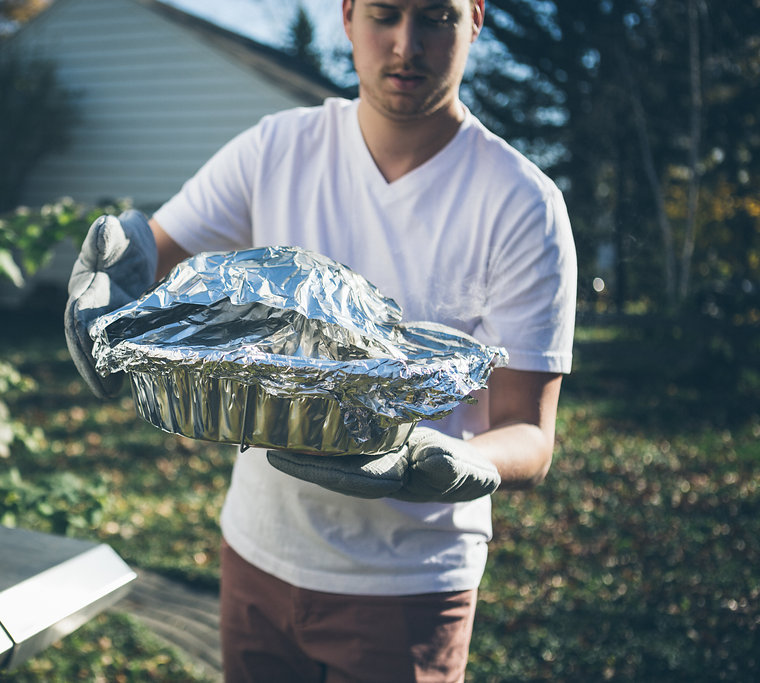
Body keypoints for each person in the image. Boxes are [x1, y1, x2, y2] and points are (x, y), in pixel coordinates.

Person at [65, 0, 577, 680]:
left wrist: (453, 462)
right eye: (384, 14)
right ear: (347, 15)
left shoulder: (521, 203)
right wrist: (108, 287)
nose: (405, 45)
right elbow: (149, 261)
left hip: (407, 589)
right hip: (256, 552)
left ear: (476, 17)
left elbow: (529, 434)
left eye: (435, 17)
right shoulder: (278, 146)